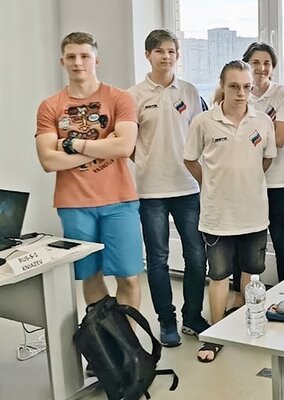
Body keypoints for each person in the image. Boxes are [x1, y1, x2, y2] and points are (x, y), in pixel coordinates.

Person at [35, 32, 143, 318]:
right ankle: (105, 337)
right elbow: (48, 160)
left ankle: (127, 341)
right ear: (62, 62)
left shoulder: (120, 98)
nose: (78, 62)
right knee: (90, 275)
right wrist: (105, 147)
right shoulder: (50, 106)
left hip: (119, 201)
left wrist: (70, 145)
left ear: (97, 59)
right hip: (74, 204)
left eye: (85, 56)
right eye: (71, 57)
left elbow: (125, 147)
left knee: (129, 277)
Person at [184, 60, 276, 362]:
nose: (241, 93)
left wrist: (246, 180)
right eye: (234, 86)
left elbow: (266, 159)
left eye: (247, 87)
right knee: (219, 275)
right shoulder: (203, 122)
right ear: (222, 86)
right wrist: (210, 182)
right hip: (217, 215)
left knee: (251, 272)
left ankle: (246, 328)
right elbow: (190, 159)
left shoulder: (262, 121)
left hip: (253, 213)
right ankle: (215, 335)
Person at [128, 29, 210, 347]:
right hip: (151, 190)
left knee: (196, 256)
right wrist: (147, 162)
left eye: (171, 51)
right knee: (158, 259)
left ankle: (192, 317)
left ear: (178, 55)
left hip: (188, 187)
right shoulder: (133, 96)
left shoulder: (189, 91)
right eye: (160, 51)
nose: (166, 56)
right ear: (148, 55)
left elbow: (202, 136)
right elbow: (130, 144)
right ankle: (166, 321)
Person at [242, 42, 284, 282]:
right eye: (255, 62)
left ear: (273, 67)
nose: (261, 68)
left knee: (282, 242)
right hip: (245, 183)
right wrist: (266, 129)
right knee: (246, 243)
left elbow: (281, 139)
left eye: (267, 63)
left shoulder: (283, 94)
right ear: (246, 64)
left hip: (276, 182)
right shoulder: (239, 93)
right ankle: (243, 295)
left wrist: (247, 133)